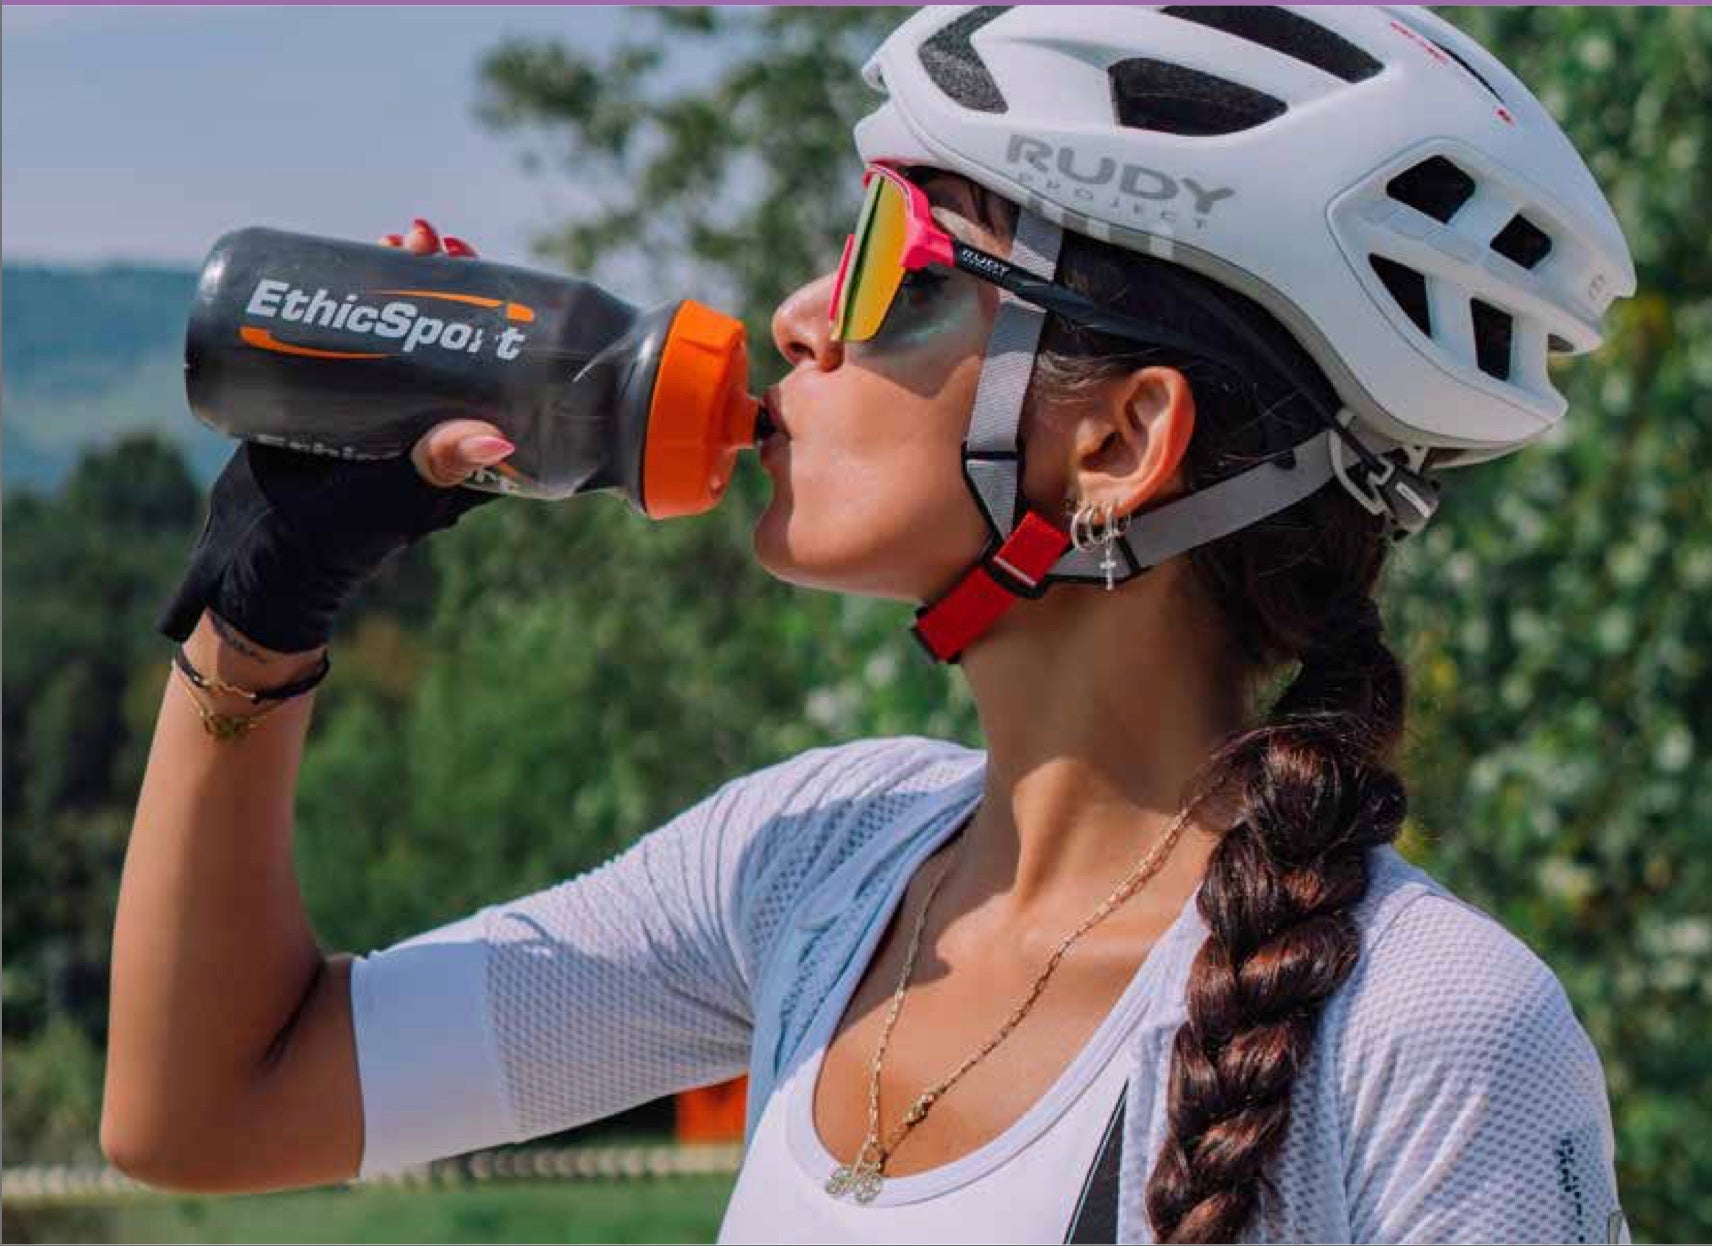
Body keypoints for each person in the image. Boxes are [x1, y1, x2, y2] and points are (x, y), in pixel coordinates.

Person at [104, 7, 1637, 1242]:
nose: (797, 315)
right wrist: (264, 610)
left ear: (1119, 442)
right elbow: (209, 1106)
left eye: (897, 268)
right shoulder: (810, 861)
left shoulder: (1431, 1029)